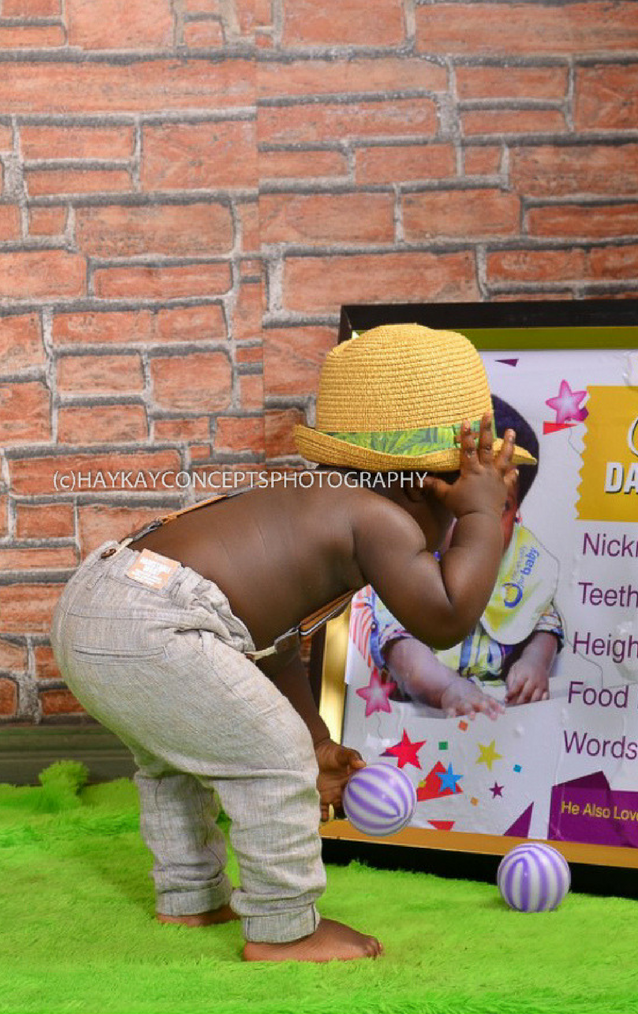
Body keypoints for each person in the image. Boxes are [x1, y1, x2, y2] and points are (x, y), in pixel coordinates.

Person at [48, 324, 534, 963]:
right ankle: (285, 927)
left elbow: (270, 642)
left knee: (175, 760)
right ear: (424, 483)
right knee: (274, 759)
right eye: (460, 499)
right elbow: (447, 618)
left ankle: (190, 897)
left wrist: (315, 739)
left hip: (101, 602)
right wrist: (482, 515)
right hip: (156, 624)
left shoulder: (311, 502)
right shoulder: (380, 519)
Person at [361, 396, 563, 717]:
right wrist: (447, 688)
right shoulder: (407, 562)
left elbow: (544, 623)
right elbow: (403, 651)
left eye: (501, 506)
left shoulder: (521, 563)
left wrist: (535, 662)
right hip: (422, 718)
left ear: (517, 515)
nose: (478, 522)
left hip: (502, 717)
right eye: (458, 500)